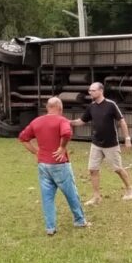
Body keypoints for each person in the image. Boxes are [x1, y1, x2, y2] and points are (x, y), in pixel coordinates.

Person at [18, 97, 88, 236]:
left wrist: (37, 152)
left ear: (47, 107)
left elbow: (23, 138)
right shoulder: (62, 120)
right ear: (60, 108)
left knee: (47, 198)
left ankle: (50, 227)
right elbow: (67, 133)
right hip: (60, 164)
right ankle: (79, 220)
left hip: (43, 165)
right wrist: (62, 147)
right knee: (71, 193)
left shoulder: (36, 121)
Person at [70, 82, 132, 204]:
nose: (90, 93)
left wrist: (127, 139)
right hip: (96, 144)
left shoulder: (111, 105)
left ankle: (129, 189)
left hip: (111, 144)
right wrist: (68, 122)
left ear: (101, 91)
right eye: (89, 90)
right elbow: (81, 121)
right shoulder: (91, 107)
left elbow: (122, 121)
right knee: (93, 169)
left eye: (93, 90)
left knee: (118, 169)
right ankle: (96, 196)